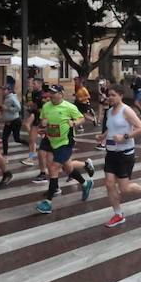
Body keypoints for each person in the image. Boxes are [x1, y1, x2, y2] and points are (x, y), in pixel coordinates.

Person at [98, 84, 141, 228]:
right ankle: (118, 214)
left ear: (121, 96)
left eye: (113, 95)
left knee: (124, 188)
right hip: (111, 152)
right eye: (109, 95)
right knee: (109, 184)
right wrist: (103, 136)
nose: (110, 98)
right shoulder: (109, 111)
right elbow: (111, 128)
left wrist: (125, 137)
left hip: (125, 153)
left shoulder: (126, 110)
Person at [34, 85, 95, 215]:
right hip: (50, 139)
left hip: (65, 142)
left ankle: (48, 202)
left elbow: (82, 118)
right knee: (67, 168)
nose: (51, 95)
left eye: (54, 93)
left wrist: (74, 123)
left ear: (61, 94)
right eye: (50, 93)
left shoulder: (69, 107)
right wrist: (43, 125)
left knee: (53, 168)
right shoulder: (46, 106)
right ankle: (85, 184)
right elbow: (43, 120)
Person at [0, 82, 23, 157]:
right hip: (8, 121)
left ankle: (30, 144)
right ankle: (5, 154)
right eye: (2, 89)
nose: (2, 91)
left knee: (17, 139)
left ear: (9, 90)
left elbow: (18, 108)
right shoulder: (6, 98)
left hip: (15, 121)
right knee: (4, 138)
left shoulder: (12, 98)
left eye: (4, 89)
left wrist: (7, 108)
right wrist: (2, 110)